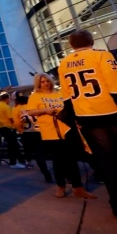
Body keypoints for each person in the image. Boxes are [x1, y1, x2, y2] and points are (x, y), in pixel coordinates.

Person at [59, 29, 117, 216]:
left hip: (87, 118)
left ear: (71, 45)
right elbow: (114, 84)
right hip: (111, 112)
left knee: (107, 163)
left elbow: (66, 97)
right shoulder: (101, 56)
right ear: (92, 41)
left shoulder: (64, 64)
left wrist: (75, 120)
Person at [26, 73, 96, 199]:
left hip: (67, 130)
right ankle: (61, 186)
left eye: (47, 81)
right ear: (38, 84)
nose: (46, 83)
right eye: (42, 82)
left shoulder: (60, 94)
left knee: (72, 159)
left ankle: (77, 187)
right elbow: (30, 111)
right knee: (58, 161)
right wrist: (45, 111)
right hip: (51, 132)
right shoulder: (35, 96)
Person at [11, 92, 52, 183]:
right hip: (41, 131)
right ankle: (66, 174)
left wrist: (21, 131)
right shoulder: (33, 105)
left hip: (28, 133)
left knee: (37, 154)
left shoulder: (16, 109)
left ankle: (46, 174)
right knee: (49, 152)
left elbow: (17, 123)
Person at [0, 94, 25, 169]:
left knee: (12, 145)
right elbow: (10, 118)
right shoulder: (6, 107)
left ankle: (21, 161)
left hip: (0, 127)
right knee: (13, 145)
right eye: (9, 99)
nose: (9, 101)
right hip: (8, 127)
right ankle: (13, 163)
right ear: (7, 99)